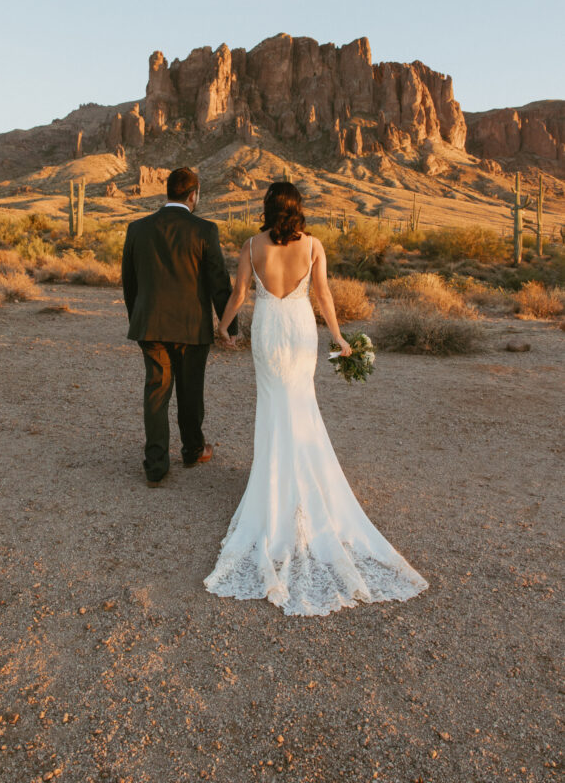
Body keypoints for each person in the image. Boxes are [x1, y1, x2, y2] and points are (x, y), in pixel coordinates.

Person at [204, 181, 428, 616]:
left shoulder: (251, 245)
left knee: (273, 407)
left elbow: (239, 295)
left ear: (268, 207)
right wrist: (340, 338)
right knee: (299, 404)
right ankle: (304, 485)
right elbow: (323, 294)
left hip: (268, 331)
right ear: (299, 209)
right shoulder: (314, 246)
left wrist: (223, 328)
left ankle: (273, 489)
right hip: (301, 330)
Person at [121, 167, 238, 487]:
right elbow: (218, 281)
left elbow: (128, 281)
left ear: (167, 193)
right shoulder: (205, 230)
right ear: (193, 195)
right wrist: (230, 324)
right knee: (190, 391)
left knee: (156, 391)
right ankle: (192, 450)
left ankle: (156, 465)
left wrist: (138, 318)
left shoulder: (137, 228)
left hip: (151, 324)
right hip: (191, 326)